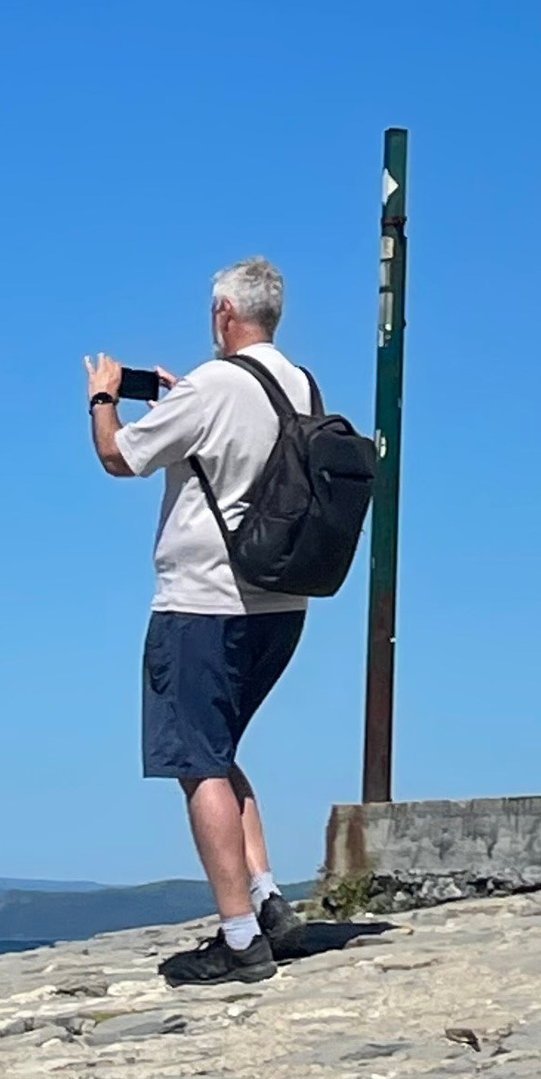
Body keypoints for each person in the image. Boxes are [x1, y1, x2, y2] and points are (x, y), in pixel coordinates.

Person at [84, 257, 318, 986]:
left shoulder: (215, 384)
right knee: (219, 748)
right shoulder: (299, 383)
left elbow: (119, 456)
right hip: (281, 604)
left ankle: (240, 938)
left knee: (197, 762)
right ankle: (267, 896)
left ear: (224, 313)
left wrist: (102, 397)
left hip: (202, 602)